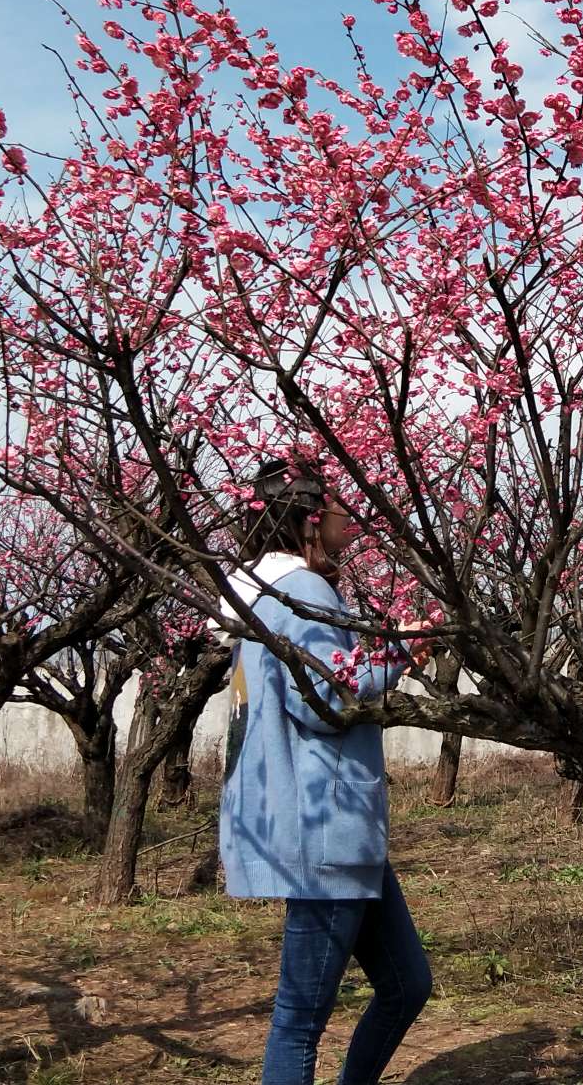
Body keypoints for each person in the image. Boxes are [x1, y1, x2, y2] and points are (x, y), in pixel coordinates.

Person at [219, 457, 435, 1083]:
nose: (350, 514)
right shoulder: (305, 592)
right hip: (325, 826)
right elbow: (329, 699)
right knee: (300, 1016)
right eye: (337, 504)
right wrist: (401, 645)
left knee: (406, 984)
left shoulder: (265, 596)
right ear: (312, 519)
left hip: (332, 826)